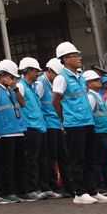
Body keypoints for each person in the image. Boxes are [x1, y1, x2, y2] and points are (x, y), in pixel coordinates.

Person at [50, 41, 98, 205]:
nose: (79, 58)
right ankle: (80, 192)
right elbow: (55, 101)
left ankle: (92, 190)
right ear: (65, 59)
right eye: (74, 55)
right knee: (77, 159)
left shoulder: (80, 76)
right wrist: (64, 120)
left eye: (78, 55)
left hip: (87, 121)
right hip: (74, 124)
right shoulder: (61, 78)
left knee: (90, 157)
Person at [0, 60, 28, 203]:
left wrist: (16, 89)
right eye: (11, 77)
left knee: (19, 164)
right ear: (2, 75)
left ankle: (20, 190)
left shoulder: (11, 90)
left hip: (17, 130)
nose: (13, 80)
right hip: (4, 133)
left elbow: (23, 104)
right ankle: (8, 191)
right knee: (7, 165)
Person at [16, 56, 48, 200]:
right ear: (27, 71)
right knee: (31, 160)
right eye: (35, 71)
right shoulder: (21, 86)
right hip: (29, 127)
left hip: (38, 127)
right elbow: (20, 103)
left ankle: (37, 187)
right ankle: (30, 188)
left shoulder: (31, 87)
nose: (38, 74)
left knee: (38, 159)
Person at [86, 71, 107, 200]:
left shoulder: (97, 95)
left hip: (105, 131)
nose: (99, 82)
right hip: (98, 132)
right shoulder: (91, 97)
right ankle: (101, 185)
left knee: (106, 160)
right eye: (95, 80)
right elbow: (90, 114)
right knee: (98, 160)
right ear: (89, 83)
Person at [40, 58, 66, 196]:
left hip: (58, 123)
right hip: (48, 125)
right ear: (49, 71)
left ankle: (64, 184)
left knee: (62, 155)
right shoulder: (41, 83)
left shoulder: (55, 83)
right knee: (51, 157)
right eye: (55, 74)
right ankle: (53, 184)